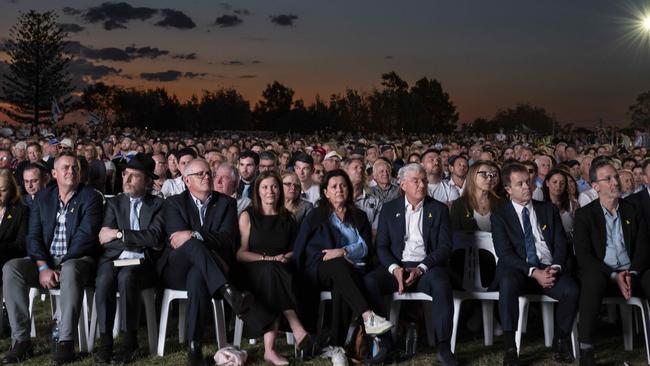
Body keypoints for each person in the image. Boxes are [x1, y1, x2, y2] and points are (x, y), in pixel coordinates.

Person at [2, 152, 103, 364]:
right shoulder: (42, 198)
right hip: (46, 262)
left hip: (78, 261)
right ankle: (21, 340)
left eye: (75, 167)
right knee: (12, 268)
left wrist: (63, 264)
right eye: (65, 168)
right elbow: (33, 236)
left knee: (70, 268)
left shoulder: (91, 197)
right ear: (54, 173)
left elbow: (85, 238)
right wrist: (42, 267)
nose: (71, 171)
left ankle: (65, 341)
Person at [158, 159, 253, 366]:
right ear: (186, 180)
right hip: (177, 269)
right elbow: (176, 241)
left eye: (208, 173)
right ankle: (228, 291)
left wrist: (193, 234)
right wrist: (200, 237)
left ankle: (194, 347)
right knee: (191, 246)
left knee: (197, 274)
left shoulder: (226, 203)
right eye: (200, 174)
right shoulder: (174, 203)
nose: (207, 177)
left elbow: (228, 240)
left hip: (207, 271)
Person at [364, 163, 459, 366]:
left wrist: (421, 268)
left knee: (442, 284)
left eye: (424, 180)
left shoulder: (439, 209)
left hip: (427, 267)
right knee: (370, 282)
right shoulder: (390, 209)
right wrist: (394, 269)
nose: (422, 184)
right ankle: (386, 345)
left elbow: (444, 248)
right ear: (403, 184)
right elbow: (381, 246)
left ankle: (444, 347)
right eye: (416, 181)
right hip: (396, 266)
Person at [293, 170, 392, 354]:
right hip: (320, 268)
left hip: (354, 269)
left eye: (343, 185)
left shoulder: (359, 216)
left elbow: (367, 248)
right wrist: (298, 277)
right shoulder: (315, 216)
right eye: (334, 186)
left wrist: (344, 251)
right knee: (338, 263)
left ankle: (335, 346)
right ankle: (368, 316)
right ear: (325, 192)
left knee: (342, 278)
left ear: (349, 189)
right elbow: (300, 248)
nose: (339, 190)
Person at [491, 163, 579, 366]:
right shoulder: (500, 216)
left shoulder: (548, 209)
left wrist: (555, 267)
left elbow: (560, 244)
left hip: (549, 268)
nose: (526, 187)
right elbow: (504, 254)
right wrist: (533, 271)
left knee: (572, 290)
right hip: (519, 270)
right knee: (507, 284)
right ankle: (510, 347)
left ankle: (561, 339)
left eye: (528, 182)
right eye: (519, 184)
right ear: (508, 189)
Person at [573, 159, 650, 366]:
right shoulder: (584, 215)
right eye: (608, 179)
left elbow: (643, 248)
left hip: (632, 271)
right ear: (595, 186)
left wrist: (632, 273)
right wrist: (614, 275)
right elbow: (584, 256)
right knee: (592, 281)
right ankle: (587, 350)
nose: (615, 182)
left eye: (615, 176)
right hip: (603, 273)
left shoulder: (633, 209)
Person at [93, 154, 165, 364]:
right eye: (125, 174)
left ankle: (129, 341)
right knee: (104, 279)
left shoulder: (158, 205)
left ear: (147, 181)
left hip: (143, 263)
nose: (127, 180)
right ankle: (106, 342)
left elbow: (154, 237)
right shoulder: (114, 203)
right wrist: (134, 238)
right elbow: (104, 239)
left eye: (134, 176)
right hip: (113, 259)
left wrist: (119, 234)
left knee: (128, 277)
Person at [236, 172, 312, 365]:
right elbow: (241, 253)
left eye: (274, 187)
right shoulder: (248, 215)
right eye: (265, 187)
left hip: (281, 269)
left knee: (274, 273)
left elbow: (295, 250)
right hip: (253, 269)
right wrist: (268, 258)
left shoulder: (288, 218)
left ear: (280, 190)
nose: (270, 191)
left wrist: (285, 258)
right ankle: (295, 325)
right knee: (271, 270)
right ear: (258, 191)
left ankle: (270, 350)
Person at [450, 160, 505, 232]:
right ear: (472, 175)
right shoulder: (459, 204)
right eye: (484, 174)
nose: (489, 178)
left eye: (493, 175)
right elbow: (455, 234)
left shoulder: (502, 203)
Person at [0, 169, 28, 278]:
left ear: (11, 191)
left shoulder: (21, 212)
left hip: (7, 260)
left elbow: (21, 246)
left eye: (3, 190)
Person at [542, 168, 578, 237]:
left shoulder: (573, 204)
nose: (558, 186)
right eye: (555, 182)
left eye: (562, 183)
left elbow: (578, 228)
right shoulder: (540, 204)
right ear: (547, 183)